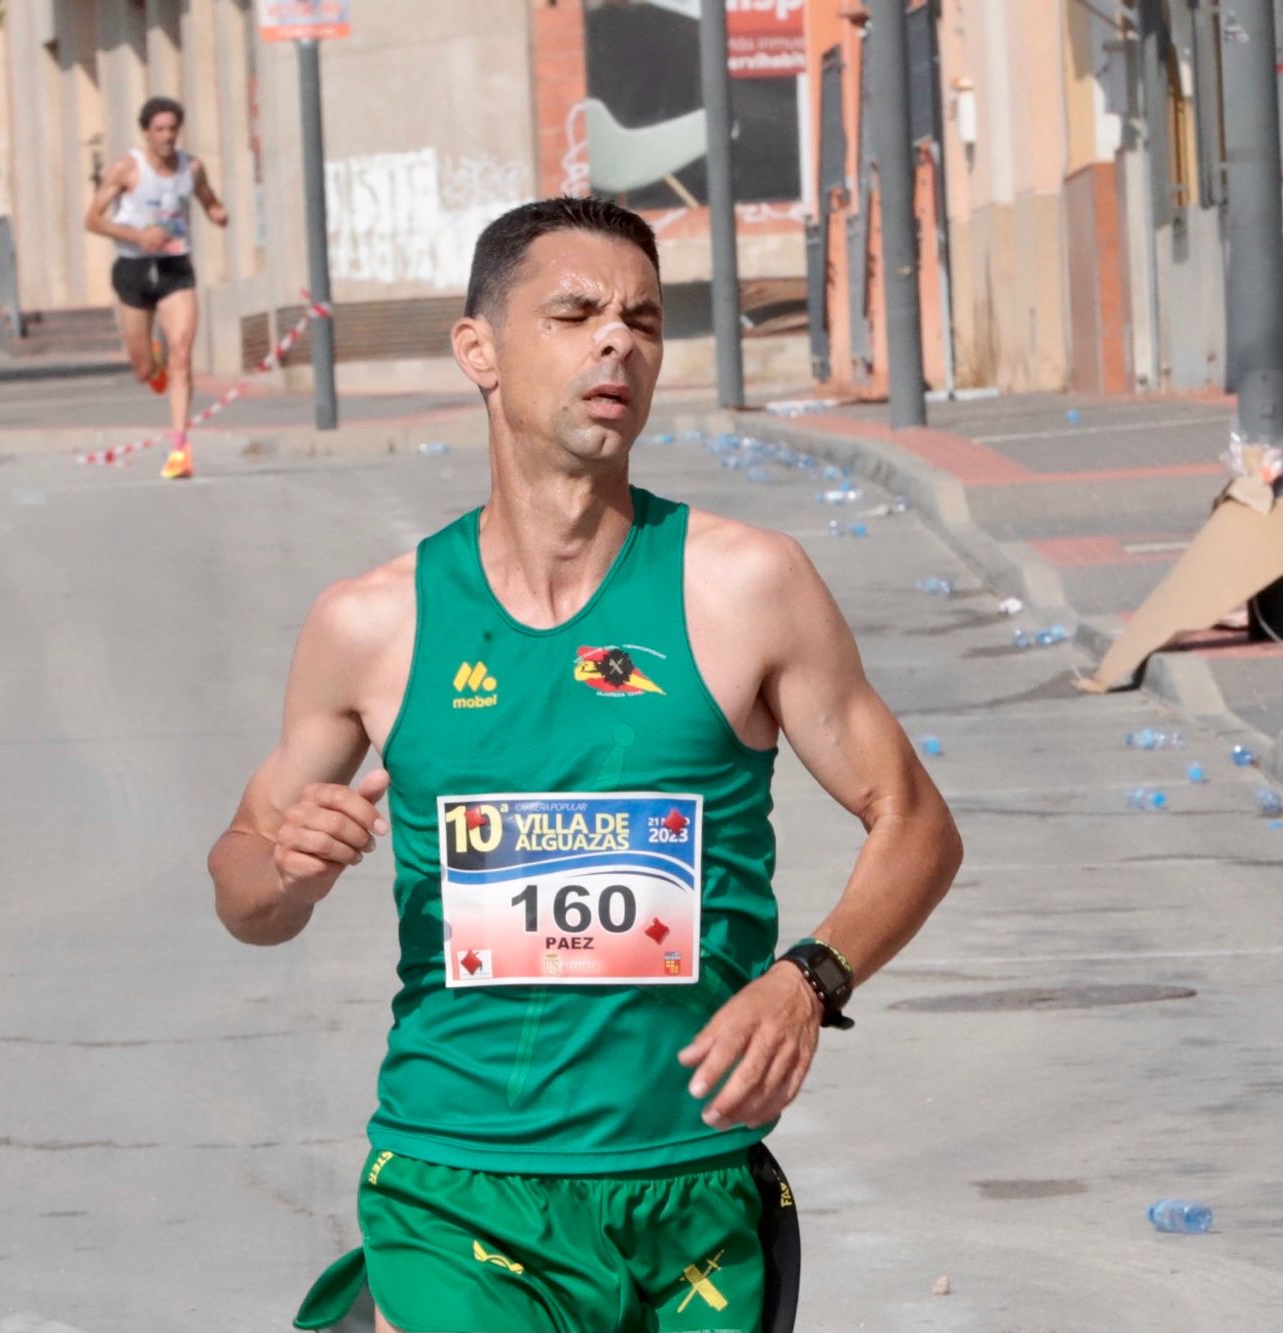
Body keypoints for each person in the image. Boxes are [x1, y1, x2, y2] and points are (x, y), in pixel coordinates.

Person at [206, 197, 963, 1333]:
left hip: (689, 1185)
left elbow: (912, 821)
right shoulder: (375, 621)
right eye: (573, 312)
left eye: (643, 319)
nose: (617, 340)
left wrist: (807, 981)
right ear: (478, 350)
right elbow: (244, 885)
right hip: (455, 1181)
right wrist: (288, 872)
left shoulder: (743, 585)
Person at [85, 96, 229, 481]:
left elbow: (208, 200)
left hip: (175, 267)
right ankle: (153, 361)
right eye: (159, 130)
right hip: (134, 268)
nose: (167, 137)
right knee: (142, 369)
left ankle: (180, 449)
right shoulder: (127, 168)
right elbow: (93, 219)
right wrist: (136, 235)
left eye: (172, 130)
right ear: (147, 133)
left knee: (182, 353)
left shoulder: (191, 167)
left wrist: (218, 214)